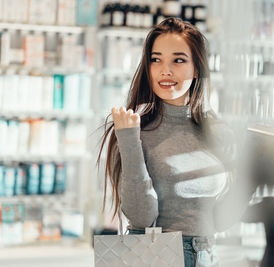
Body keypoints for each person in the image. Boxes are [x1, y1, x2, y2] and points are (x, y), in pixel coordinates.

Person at [97, 17, 254, 267]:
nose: (165, 70)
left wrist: (254, 170)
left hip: (207, 256)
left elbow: (222, 220)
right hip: (155, 257)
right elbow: (141, 218)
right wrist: (128, 139)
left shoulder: (219, 133)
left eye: (178, 60)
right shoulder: (134, 128)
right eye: (155, 59)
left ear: (197, 67)